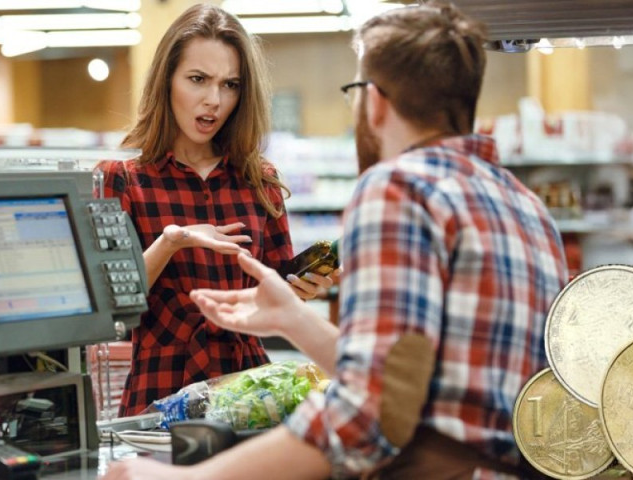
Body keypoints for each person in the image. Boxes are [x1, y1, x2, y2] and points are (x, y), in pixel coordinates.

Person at [101, 1, 569, 479]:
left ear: (376, 101)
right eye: (198, 79)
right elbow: (409, 385)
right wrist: (291, 317)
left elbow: (366, 413)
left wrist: (190, 479)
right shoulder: (528, 206)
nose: (215, 99)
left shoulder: (399, 188)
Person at [94, 4, 333, 417]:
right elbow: (110, 301)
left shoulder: (260, 179)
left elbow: (272, 294)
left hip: (250, 390)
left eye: (230, 84)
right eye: (198, 80)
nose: (214, 101)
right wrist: (172, 241)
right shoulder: (122, 179)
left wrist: (300, 291)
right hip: (160, 390)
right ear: (166, 80)